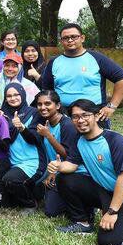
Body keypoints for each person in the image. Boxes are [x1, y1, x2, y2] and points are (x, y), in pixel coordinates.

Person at [49, 99, 123, 245]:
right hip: (107, 192)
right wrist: (59, 166)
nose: (80, 120)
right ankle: (83, 223)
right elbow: (72, 165)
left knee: (109, 242)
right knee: (65, 179)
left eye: (85, 115)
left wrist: (111, 212)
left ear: (97, 116)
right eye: (75, 117)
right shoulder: (79, 140)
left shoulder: (115, 141)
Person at [41, 23, 123, 125]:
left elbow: (122, 78)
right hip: (63, 115)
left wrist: (112, 106)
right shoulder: (54, 62)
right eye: (65, 38)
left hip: (94, 114)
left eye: (74, 36)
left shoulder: (97, 58)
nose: (70, 40)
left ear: (82, 38)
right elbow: (47, 90)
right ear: (61, 41)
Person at [35, 89, 84, 218]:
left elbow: (68, 156)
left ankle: (84, 201)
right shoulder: (46, 123)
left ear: (57, 106)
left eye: (47, 103)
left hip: (72, 172)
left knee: (51, 210)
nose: (43, 107)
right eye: (39, 104)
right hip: (55, 170)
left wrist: (48, 136)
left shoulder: (67, 125)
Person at [0, 83, 42, 210]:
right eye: (9, 96)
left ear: (23, 95)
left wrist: (22, 128)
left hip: (31, 162)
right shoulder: (2, 115)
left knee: (10, 180)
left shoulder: (34, 113)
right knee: (4, 202)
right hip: (11, 162)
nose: (13, 98)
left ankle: (30, 204)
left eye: (16, 94)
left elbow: (34, 139)